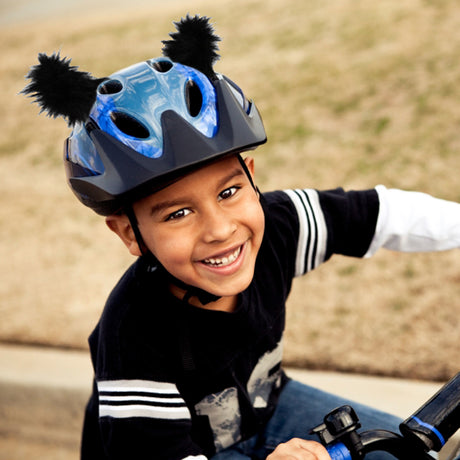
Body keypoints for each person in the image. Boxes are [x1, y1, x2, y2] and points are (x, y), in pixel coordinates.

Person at [22, 14, 460, 460]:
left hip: (269, 412)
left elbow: (381, 215)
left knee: (407, 453)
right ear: (128, 233)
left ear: (251, 177)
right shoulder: (133, 330)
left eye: (229, 192)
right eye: (178, 213)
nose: (220, 229)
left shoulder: (275, 227)